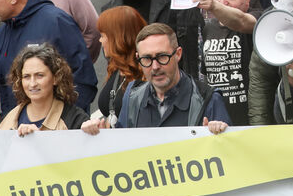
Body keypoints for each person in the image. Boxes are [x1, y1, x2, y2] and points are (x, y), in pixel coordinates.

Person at [85, 23, 230, 132]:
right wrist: (102, 137)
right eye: (147, 59)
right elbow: (122, 147)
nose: (155, 67)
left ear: (178, 54)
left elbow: (228, 157)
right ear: (138, 58)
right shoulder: (132, 95)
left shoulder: (208, 99)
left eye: (162, 57)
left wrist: (218, 135)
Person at [194, 0, 259, 125]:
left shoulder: (259, 19)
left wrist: (214, 5)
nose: (223, 3)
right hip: (217, 120)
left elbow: (242, 22)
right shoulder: (207, 27)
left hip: (251, 118)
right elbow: (206, 74)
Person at [0, 45, 88, 134]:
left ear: (56, 78)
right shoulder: (8, 119)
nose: (32, 84)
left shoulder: (76, 120)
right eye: (26, 77)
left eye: (39, 75)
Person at [92, 6, 147, 126]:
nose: (100, 41)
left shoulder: (146, 76)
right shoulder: (117, 67)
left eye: (102, 35)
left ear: (117, 38)